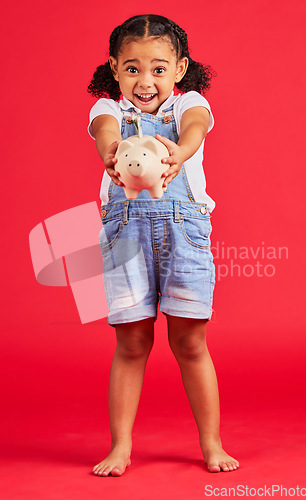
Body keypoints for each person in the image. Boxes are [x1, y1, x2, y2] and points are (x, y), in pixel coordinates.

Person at [87, 14, 239, 476]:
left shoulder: (188, 103)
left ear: (179, 68)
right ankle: (121, 447)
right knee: (131, 343)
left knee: (191, 341)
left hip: (184, 231)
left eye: (158, 68)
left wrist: (180, 151)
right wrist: (113, 155)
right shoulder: (108, 111)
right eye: (132, 68)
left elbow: (195, 125)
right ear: (115, 69)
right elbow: (105, 136)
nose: (145, 80)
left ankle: (211, 444)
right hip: (126, 233)